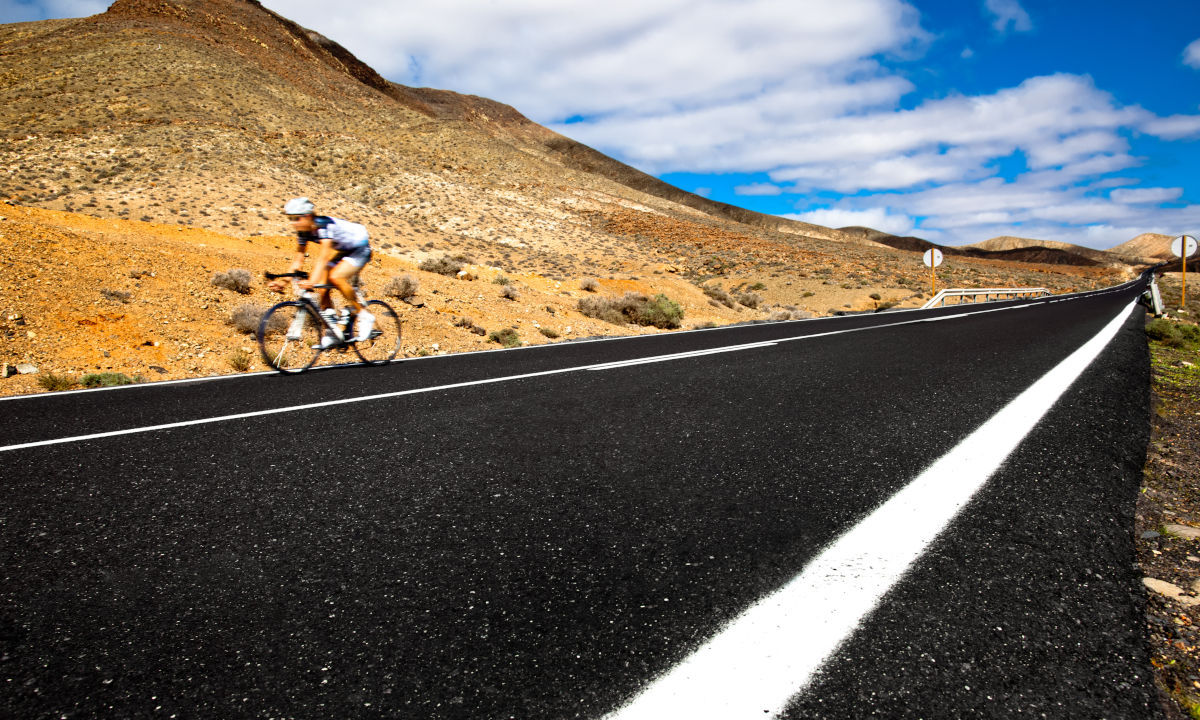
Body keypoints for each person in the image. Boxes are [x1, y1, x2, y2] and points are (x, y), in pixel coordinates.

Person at [278, 197, 374, 347]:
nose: (293, 223)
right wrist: (283, 281)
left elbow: (323, 258)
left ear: (307, 216)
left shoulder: (323, 227)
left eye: (296, 218)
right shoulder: (303, 233)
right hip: (345, 250)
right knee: (322, 290)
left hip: (360, 248)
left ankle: (364, 314)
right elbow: (298, 260)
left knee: (336, 277)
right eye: (290, 219)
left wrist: (312, 281)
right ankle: (333, 333)